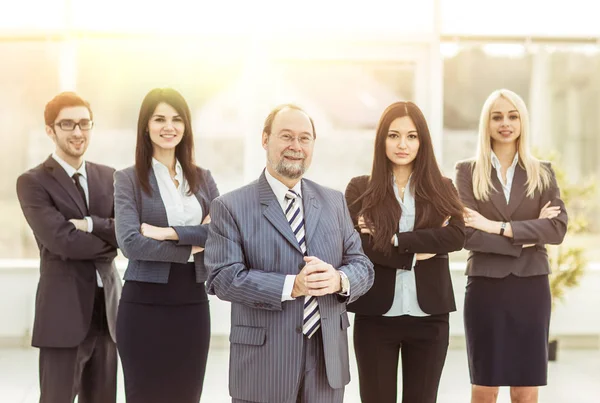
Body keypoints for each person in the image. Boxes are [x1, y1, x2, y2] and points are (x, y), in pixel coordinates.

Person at [205, 104, 374, 403]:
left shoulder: (334, 202)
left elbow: (362, 265)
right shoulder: (230, 206)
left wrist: (339, 279)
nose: (296, 146)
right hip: (264, 366)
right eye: (286, 136)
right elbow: (222, 277)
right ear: (265, 139)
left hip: (326, 364)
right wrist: (292, 286)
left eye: (304, 138)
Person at [345, 101, 465, 403]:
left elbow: (455, 236)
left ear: (422, 141)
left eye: (412, 136)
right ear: (381, 139)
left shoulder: (442, 187)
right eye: (393, 135)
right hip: (375, 316)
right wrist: (416, 253)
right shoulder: (360, 189)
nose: (402, 144)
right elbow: (360, 247)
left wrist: (396, 239)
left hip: (430, 318)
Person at [455, 89, 568, 403]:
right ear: (487, 124)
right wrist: (529, 236)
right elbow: (466, 235)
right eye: (497, 116)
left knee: (525, 388)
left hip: (531, 288)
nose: (505, 123)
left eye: (512, 115)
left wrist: (495, 227)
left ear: (522, 121)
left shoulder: (542, 172)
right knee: (485, 386)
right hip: (485, 288)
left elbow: (557, 229)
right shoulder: (467, 172)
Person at [114, 88, 218, 403]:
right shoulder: (128, 179)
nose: (168, 126)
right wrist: (190, 246)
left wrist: (166, 233)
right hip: (143, 303)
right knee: (144, 394)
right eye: (159, 119)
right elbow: (131, 243)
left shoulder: (203, 178)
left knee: (187, 395)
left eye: (176, 119)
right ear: (146, 126)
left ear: (185, 127)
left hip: (192, 302)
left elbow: (222, 234)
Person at [16, 92, 121, 403]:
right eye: (68, 124)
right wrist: (110, 242)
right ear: (51, 130)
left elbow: (126, 233)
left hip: (108, 313)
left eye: (84, 124)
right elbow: (61, 240)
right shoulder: (33, 182)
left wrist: (90, 225)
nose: (78, 132)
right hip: (63, 314)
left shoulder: (110, 177)